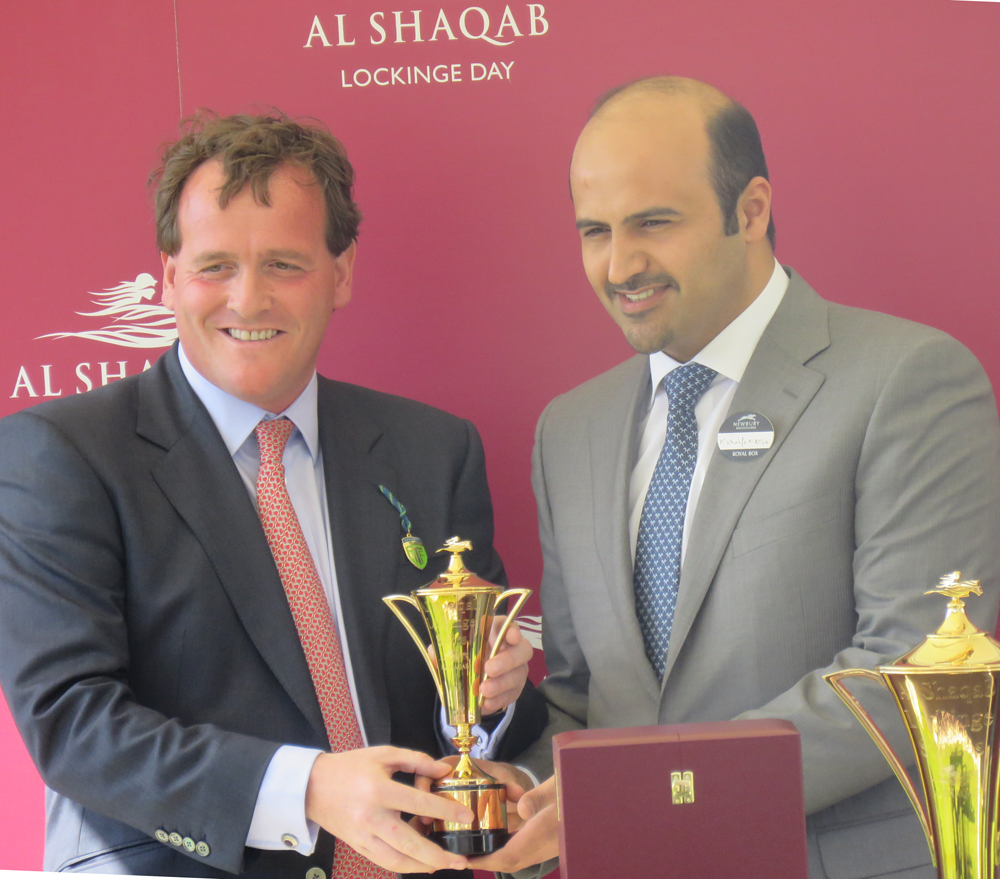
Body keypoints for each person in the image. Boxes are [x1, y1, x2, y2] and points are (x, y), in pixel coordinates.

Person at [472, 76, 1000, 879]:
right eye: (594, 230)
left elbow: (911, 673)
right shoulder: (569, 430)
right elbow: (585, 697)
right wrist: (524, 777)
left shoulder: (907, 378)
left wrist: (647, 790)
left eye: (653, 222)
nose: (621, 265)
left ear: (750, 211)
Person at [0, 112, 546, 879]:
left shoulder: (433, 448)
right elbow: (74, 725)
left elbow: (481, 718)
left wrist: (495, 694)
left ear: (342, 270)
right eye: (214, 265)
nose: (247, 300)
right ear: (169, 275)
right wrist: (308, 787)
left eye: (284, 264)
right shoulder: (62, 454)